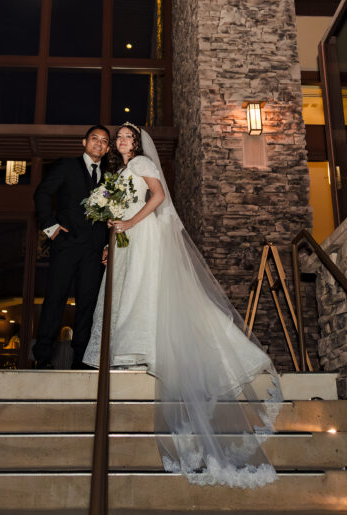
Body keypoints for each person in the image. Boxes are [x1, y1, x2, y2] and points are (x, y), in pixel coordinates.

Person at [83, 123, 282, 488]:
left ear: (138, 142)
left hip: (143, 233)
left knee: (147, 289)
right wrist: (114, 235)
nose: (124, 141)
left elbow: (157, 197)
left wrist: (129, 221)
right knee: (133, 291)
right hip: (129, 235)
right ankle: (139, 348)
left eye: (129, 137)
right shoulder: (123, 171)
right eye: (121, 138)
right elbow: (125, 204)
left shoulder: (142, 163)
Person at [32, 125, 111, 369]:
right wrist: (51, 227)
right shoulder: (66, 166)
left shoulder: (110, 177)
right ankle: (42, 356)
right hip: (66, 245)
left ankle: (81, 360)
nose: (99, 143)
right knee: (55, 299)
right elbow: (42, 194)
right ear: (84, 142)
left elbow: (112, 213)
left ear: (108, 148)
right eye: (94, 139)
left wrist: (108, 244)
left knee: (88, 304)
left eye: (104, 141)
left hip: (95, 250)